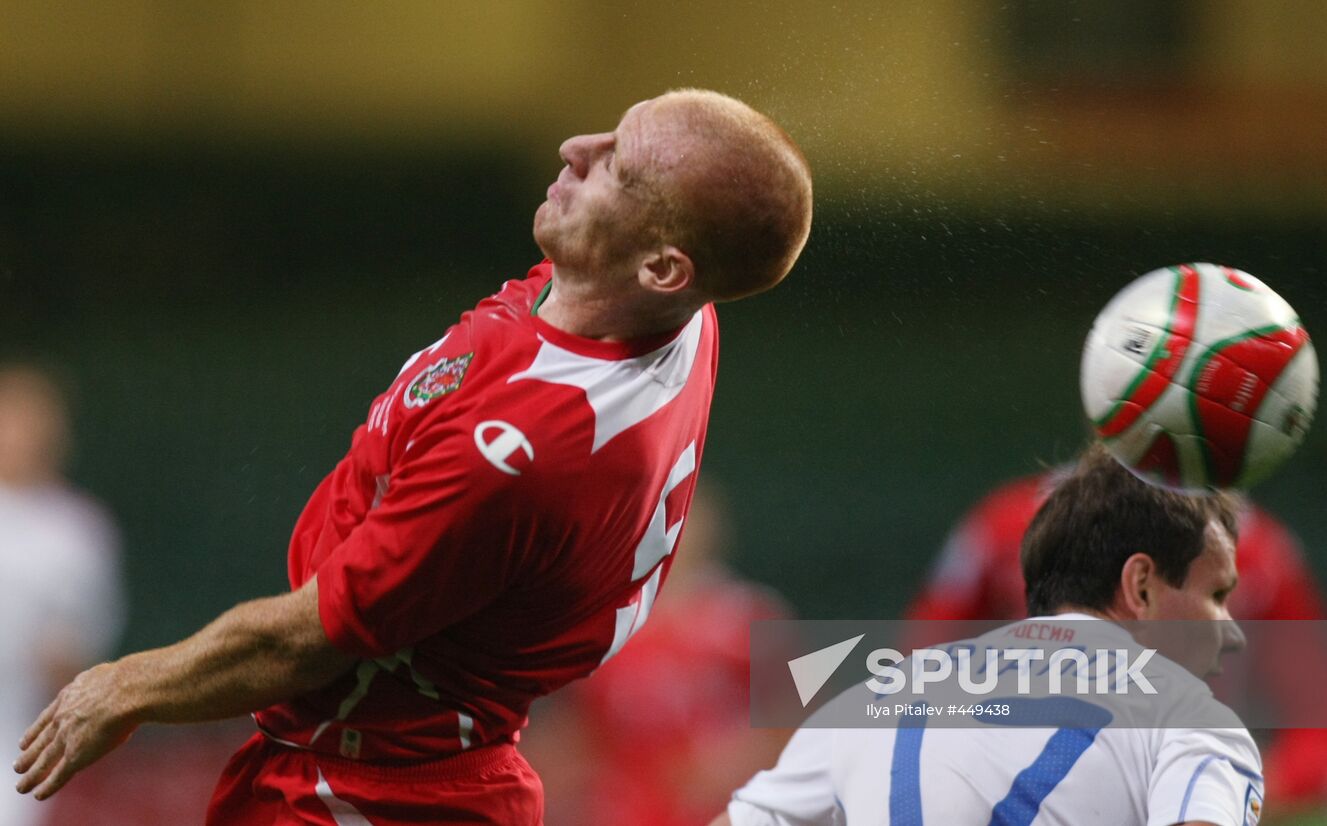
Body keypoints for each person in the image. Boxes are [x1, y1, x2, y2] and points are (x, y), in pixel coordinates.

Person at [13, 88, 813, 825]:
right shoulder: (663, 309)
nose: (577, 146)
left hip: (370, 795)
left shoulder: (534, 463)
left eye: (617, 166)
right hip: (413, 769)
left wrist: (123, 689)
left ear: (663, 269)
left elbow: (303, 642)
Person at [716, 445, 1264, 826]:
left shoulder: (870, 702)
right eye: (1217, 594)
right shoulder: (1191, 723)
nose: (1231, 630)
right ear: (1140, 585)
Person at [904, 469, 1327, 809]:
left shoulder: (1259, 551)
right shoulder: (1005, 530)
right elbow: (918, 680)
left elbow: (1326, 722)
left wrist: (1233, 790)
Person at [522, 483, 791, 825]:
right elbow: (579, 732)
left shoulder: (748, 617)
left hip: (723, 810)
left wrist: (741, 759)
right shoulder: (607, 625)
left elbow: (797, 723)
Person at [0, 365, 124, 826]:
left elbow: (75, 657)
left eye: (31, 420)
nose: (19, 434)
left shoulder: (78, 531)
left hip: (18, 739)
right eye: (9, 417)